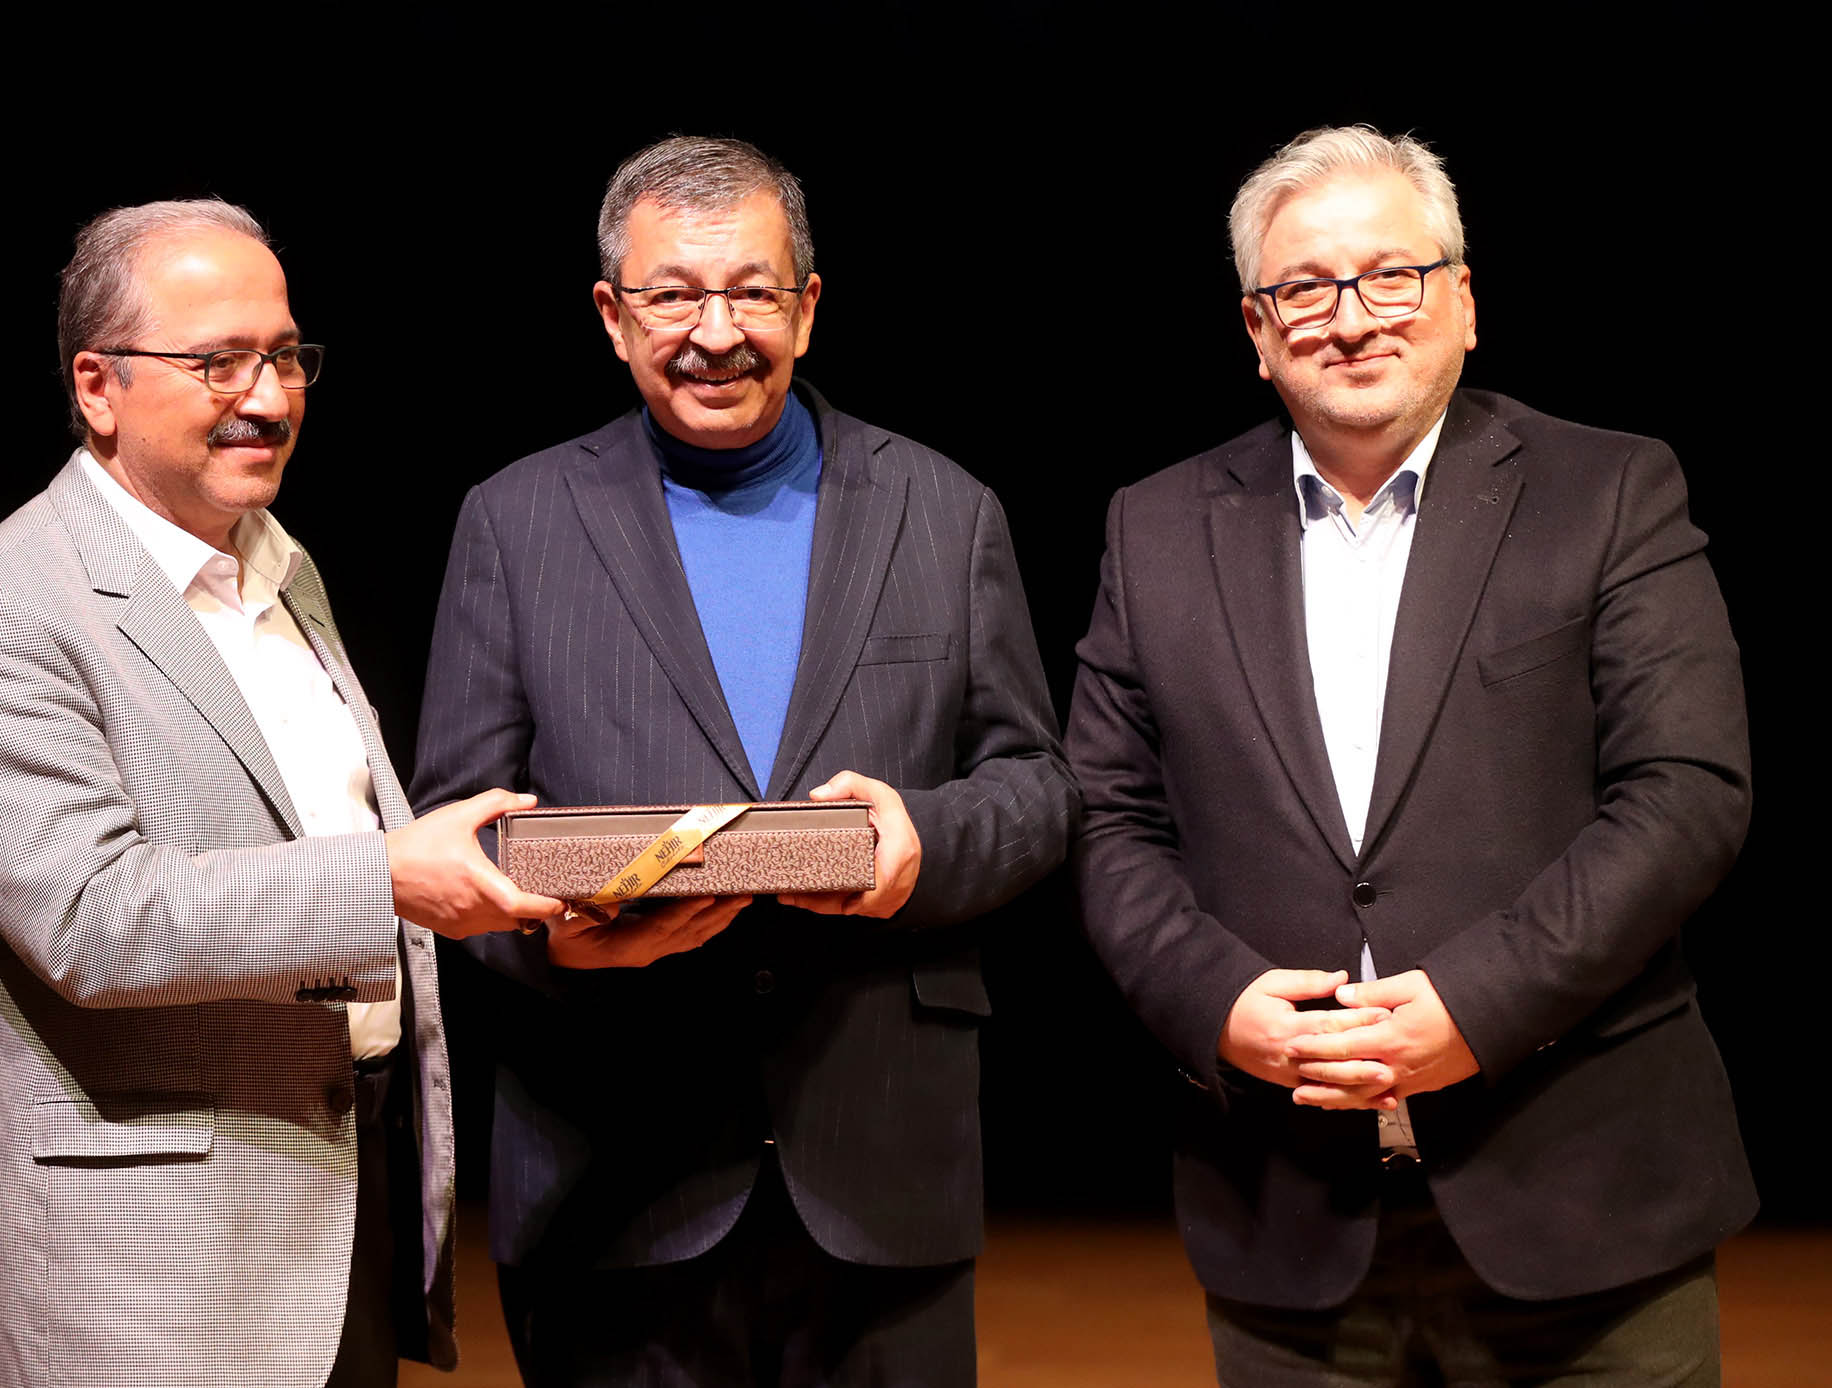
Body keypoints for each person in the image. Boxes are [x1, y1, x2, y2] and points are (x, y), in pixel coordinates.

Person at [1067, 126, 1755, 1385]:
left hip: (1586, 1199)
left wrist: (1474, 1004)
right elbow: (1107, 817)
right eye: (1304, 288)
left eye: (1392, 274)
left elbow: (1684, 793)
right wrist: (1215, 1000)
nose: (1351, 317)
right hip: (1284, 1213)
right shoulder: (1150, 526)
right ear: (1256, 329)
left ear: (1463, 302)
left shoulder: (1608, 489)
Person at [411, 135, 1077, 1386]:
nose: (713, 333)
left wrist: (919, 845)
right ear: (611, 316)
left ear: (806, 308)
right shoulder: (514, 519)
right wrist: (555, 937)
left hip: (882, 1170)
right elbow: (457, 822)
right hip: (614, 1175)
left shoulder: (945, 509)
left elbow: (1038, 787)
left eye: (752, 292)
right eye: (671, 294)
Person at [0, 199, 569, 1388]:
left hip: (333, 1214)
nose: (268, 396)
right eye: (218, 361)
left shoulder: (278, 566)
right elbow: (92, 916)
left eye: (285, 355)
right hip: (142, 1273)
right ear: (98, 386)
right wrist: (389, 878)